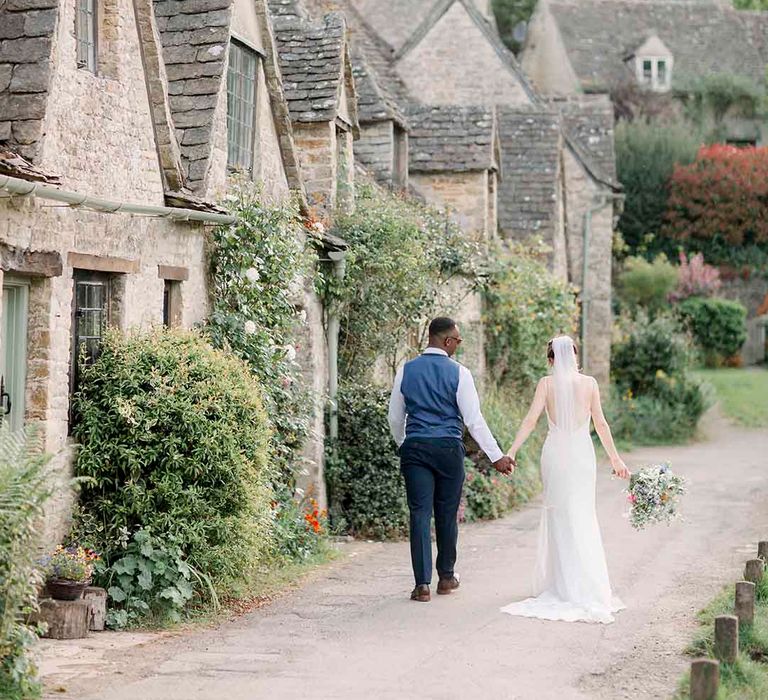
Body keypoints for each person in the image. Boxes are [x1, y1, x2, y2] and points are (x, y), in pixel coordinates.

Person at [500, 335, 629, 624]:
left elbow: (530, 420)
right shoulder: (590, 384)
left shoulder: (546, 384)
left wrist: (512, 450)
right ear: (575, 357)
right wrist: (615, 458)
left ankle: (562, 583)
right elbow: (601, 423)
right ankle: (585, 583)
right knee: (582, 513)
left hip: (555, 455)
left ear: (550, 360)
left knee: (559, 514)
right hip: (582, 455)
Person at [388, 317, 514, 603]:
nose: (458, 345)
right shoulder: (460, 373)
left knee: (419, 514)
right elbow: (473, 420)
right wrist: (497, 457)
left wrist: (403, 443)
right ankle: (446, 577)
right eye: (457, 340)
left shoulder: (405, 370)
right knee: (446, 514)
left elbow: (395, 416)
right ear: (446, 341)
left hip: (416, 447)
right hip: (447, 448)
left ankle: (421, 585)